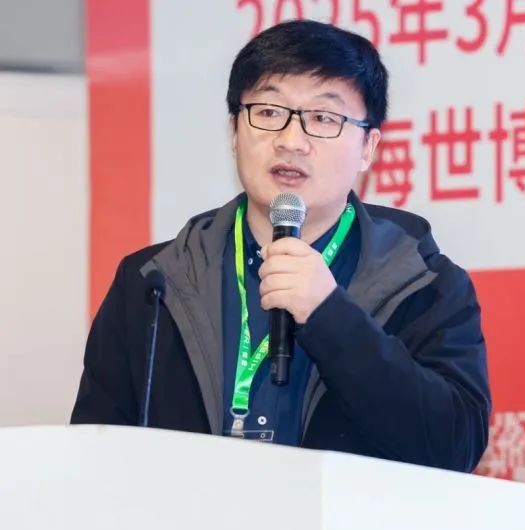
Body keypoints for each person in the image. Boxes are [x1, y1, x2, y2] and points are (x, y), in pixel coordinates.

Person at [71, 19, 491, 472]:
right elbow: (94, 458)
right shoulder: (153, 283)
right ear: (235, 131)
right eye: (269, 112)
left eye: (323, 118)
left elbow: (455, 450)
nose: (291, 141)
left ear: (369, 146)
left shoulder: (425, 285)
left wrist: (331, 317)